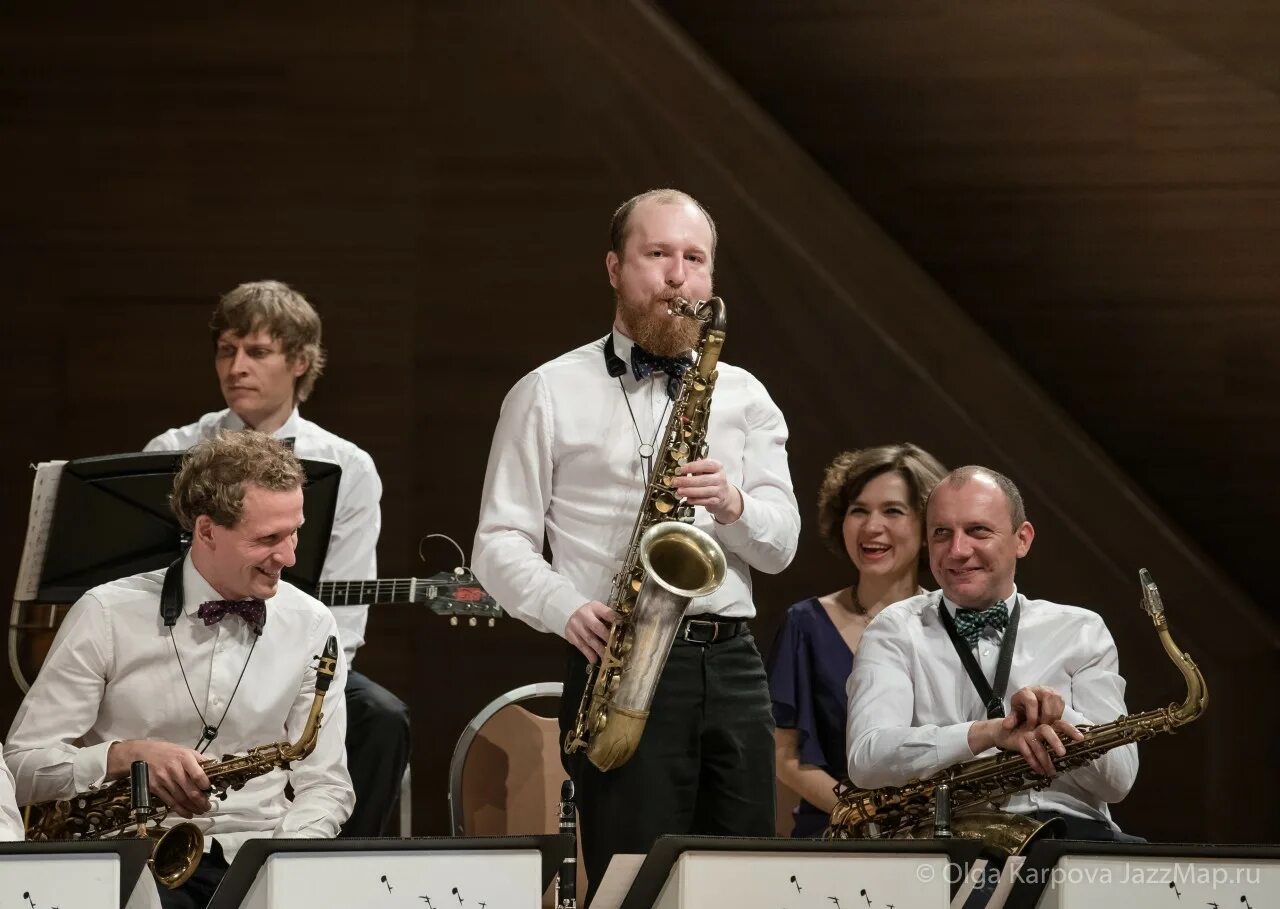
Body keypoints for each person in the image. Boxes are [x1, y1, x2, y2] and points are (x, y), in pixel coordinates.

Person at [473, 188, 801, 900]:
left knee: (748, 882)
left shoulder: (744, 396)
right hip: (618, 657)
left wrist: (736, 504)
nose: (678, 276)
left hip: (735, 662)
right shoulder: (547, 391)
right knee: (637, 881)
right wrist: (566, 608)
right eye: (658, 255)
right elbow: (497, 543)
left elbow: (779, 547)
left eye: (695, 259)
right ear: (616, 268)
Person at [5, 432, 354, 908]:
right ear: (207, 530)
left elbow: (328, 785)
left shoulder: (313, 624)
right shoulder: (106, 613)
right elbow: (21, 768)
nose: (290, 557)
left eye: (295, 532)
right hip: (133, 861)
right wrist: (120, 756)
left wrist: (282, 861)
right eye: (268, 538)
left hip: (256, 854)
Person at [144, 280, 408, 838]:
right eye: (226, 350)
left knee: (381, 717)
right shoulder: (171, 452)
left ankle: (333, 874)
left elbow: (347, 613)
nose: (236, 366)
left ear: (301, 362)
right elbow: (142, 579)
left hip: (295, 652)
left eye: (257, 352)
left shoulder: (348, 465)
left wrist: (302, 684)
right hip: (180, 645)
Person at [846, 465, 1140, 841]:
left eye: (978, 531)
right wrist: (985, 734)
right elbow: (867, 759)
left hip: (1073, 837)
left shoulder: (1081, 629)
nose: (957, 550)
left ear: (1022, 539)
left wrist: (1058, 716)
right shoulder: (894, 629)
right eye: (941, 534)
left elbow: (1119, 781)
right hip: (947, 839)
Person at [767, 443, 946, 837]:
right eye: (858, 510)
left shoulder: (951, 623)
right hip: (834, 836)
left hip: (939, 839)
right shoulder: (806, 623)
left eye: (893, 511)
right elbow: (786, 756)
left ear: (928, 527)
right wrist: (870, 816)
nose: (871, 527)